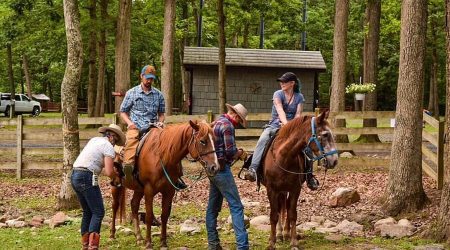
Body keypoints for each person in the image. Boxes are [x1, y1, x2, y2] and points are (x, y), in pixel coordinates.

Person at [244, 72, 319, 190]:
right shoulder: (277, 94)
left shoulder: (299, 97)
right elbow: (280, 110)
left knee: (307, 147)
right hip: (275, 125)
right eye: (281, 81)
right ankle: (253, 168)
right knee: (263, 139)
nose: (281, 84)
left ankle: (309, 176)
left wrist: (294, 128)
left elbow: (298, 114)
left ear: (292, 83)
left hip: (294, 128)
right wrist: (286, 125)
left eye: (284, 82)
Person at [119, 65, 186, 189]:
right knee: (130, 142)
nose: (149, 81)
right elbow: (123, 111)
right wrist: (129, 123)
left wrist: (160, 122)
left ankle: (177, 176)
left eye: (151, 79)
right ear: (141, 76)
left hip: (154, 127)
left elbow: (161, 114)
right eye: (147, 78)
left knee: (173, 144)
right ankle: (128, 170)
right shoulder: (132, 93)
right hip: (137, 127)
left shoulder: (158, 95)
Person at [71, 124, 126, 250]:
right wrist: (116, 177)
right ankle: (93, 246)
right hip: (87, 176)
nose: (115, 144)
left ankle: (85, 245)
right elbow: (108, 171)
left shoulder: (94, 140)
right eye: (116, 141)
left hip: (75, 174)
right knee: (98, 211)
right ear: (112, 137)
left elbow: (95, 160)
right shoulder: (108, 147)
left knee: (87, 211)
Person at [207, 103, 249, 250]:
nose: (238, 124)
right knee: (236, 206)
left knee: (213, 208)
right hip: (222, 170)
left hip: (212, 170)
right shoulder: (228, 126)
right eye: (239, 121)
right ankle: (242, 246)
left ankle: (213, 244)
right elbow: (230, 152)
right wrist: (241, 153)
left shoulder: (216, 122)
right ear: (236, 116)